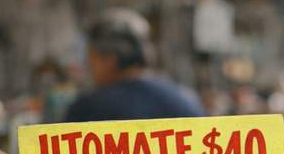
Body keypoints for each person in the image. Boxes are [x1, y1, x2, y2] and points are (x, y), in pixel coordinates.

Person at [64, 9, 203, 122]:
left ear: (110, 59)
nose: (89, 66)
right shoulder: (183, 99)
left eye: (91, 57)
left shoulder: (88, 109)